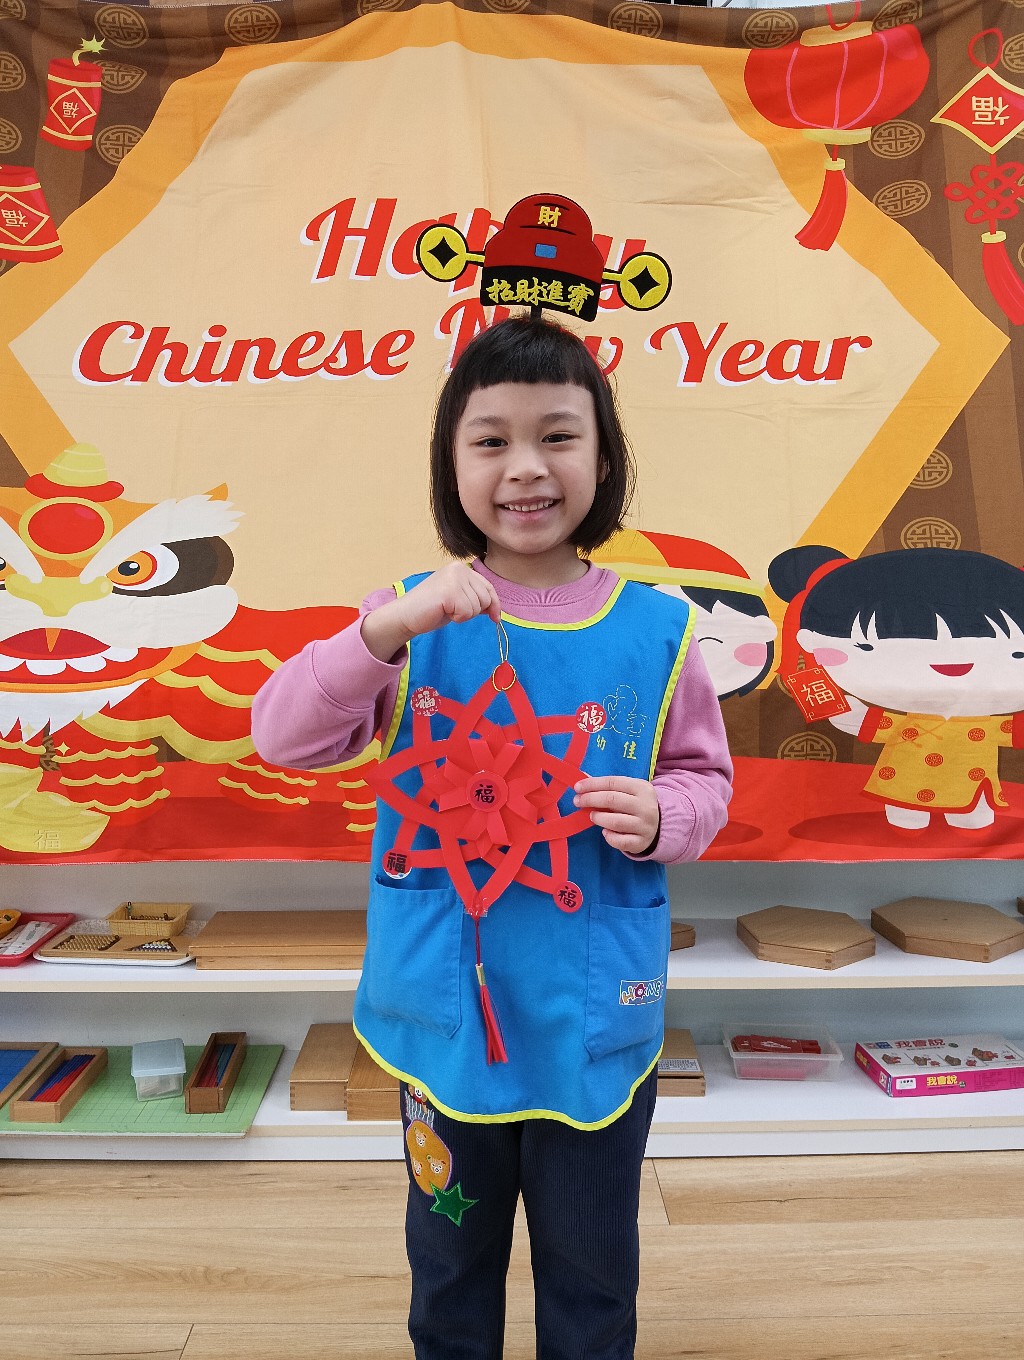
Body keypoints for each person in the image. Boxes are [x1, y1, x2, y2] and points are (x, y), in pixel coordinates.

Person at [252, 316, 732, 1360]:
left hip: (591, 1016)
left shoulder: (660, 629)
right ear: (451, 462)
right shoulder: (411, 619)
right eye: (491, 440)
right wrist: (387, 629)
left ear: (603, 457)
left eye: (558, 436)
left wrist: (666, 815)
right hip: (446, 1020)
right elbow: (282, 735)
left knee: (592, 1274)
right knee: (450, 1267)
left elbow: (706, 780)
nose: (526, 468)